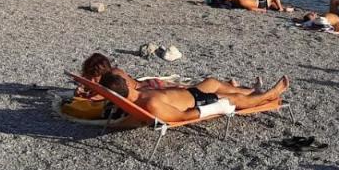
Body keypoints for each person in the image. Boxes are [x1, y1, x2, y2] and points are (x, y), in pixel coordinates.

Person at [97, 70, 289, 126]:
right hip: (200, 103)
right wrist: (214, 108)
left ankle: (254, 90)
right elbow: (183, 117)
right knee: (237, 99)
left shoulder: (136, 93)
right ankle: (268, 95)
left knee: (212, 81)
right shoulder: (149, 104)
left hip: (191, 92)